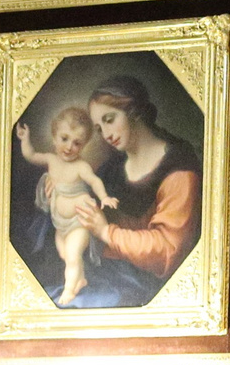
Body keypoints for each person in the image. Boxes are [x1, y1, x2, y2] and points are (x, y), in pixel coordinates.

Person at [60, 74, 202, 308]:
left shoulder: (178, 169)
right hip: (102, 275)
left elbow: (167, 249)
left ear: (134, 111)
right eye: (99, 128)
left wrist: (106, 232)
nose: (105, 134)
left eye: (109, 119)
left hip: (146, 290)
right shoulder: (111, 168)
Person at [15, 106, 120, 306]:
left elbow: (95, 181)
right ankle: (80, 279)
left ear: (83, 146)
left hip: (78, 222)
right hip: (60, 224)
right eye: (64, 139)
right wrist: (24, 139)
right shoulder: (51, 159)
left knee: (72, 255)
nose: (70, 146)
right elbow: (30, 156)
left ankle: (69, 290)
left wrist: (104, 197)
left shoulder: (81, 166)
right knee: (65, 255)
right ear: (54, 137)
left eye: (77, 143)